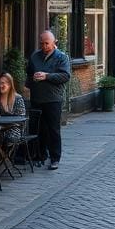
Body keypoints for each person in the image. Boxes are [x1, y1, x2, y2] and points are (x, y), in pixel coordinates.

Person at [26, 30, 71, 170]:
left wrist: (47, 76)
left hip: (53, 100)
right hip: (37, 98)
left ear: (54, 43)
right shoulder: (35, 56)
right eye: (42, 43)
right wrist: (31, 81)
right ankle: (39, 155)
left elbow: (65, 76)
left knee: (53, 130)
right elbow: (28, 74)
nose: (44, 46)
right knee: (38, 129)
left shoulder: (61, 57)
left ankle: (55, 158)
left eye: (47, 43)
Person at [0, 71, 26, 149]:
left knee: (5, 137)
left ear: (10, 85)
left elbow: (21, 118)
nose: (0, 85)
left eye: (3, 83)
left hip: (15, 128)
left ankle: (5, 159)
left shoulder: (18, 98)